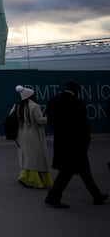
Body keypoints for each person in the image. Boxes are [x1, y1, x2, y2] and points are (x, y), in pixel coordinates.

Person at [44, 80, 108, 208]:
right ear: (76, 90)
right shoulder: (78, 104)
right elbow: (83, 126)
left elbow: (51, 122)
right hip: (77, 144)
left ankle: (96, 196)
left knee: (79, 171)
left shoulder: (52, 101)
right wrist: (86, 141)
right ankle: (53, 197)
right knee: (72, 172)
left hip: (62, 142)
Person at [13, 85, 53, 189]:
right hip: (33, 133)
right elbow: (40, 121)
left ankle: (25, 176)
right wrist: (49, 117)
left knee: (26, 156)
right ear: (30, 96)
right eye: (33, 95)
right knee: (36, 157)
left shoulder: (16, 106)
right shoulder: (34, 106)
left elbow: (11, 118)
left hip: (21, 133)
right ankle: (34, 179)